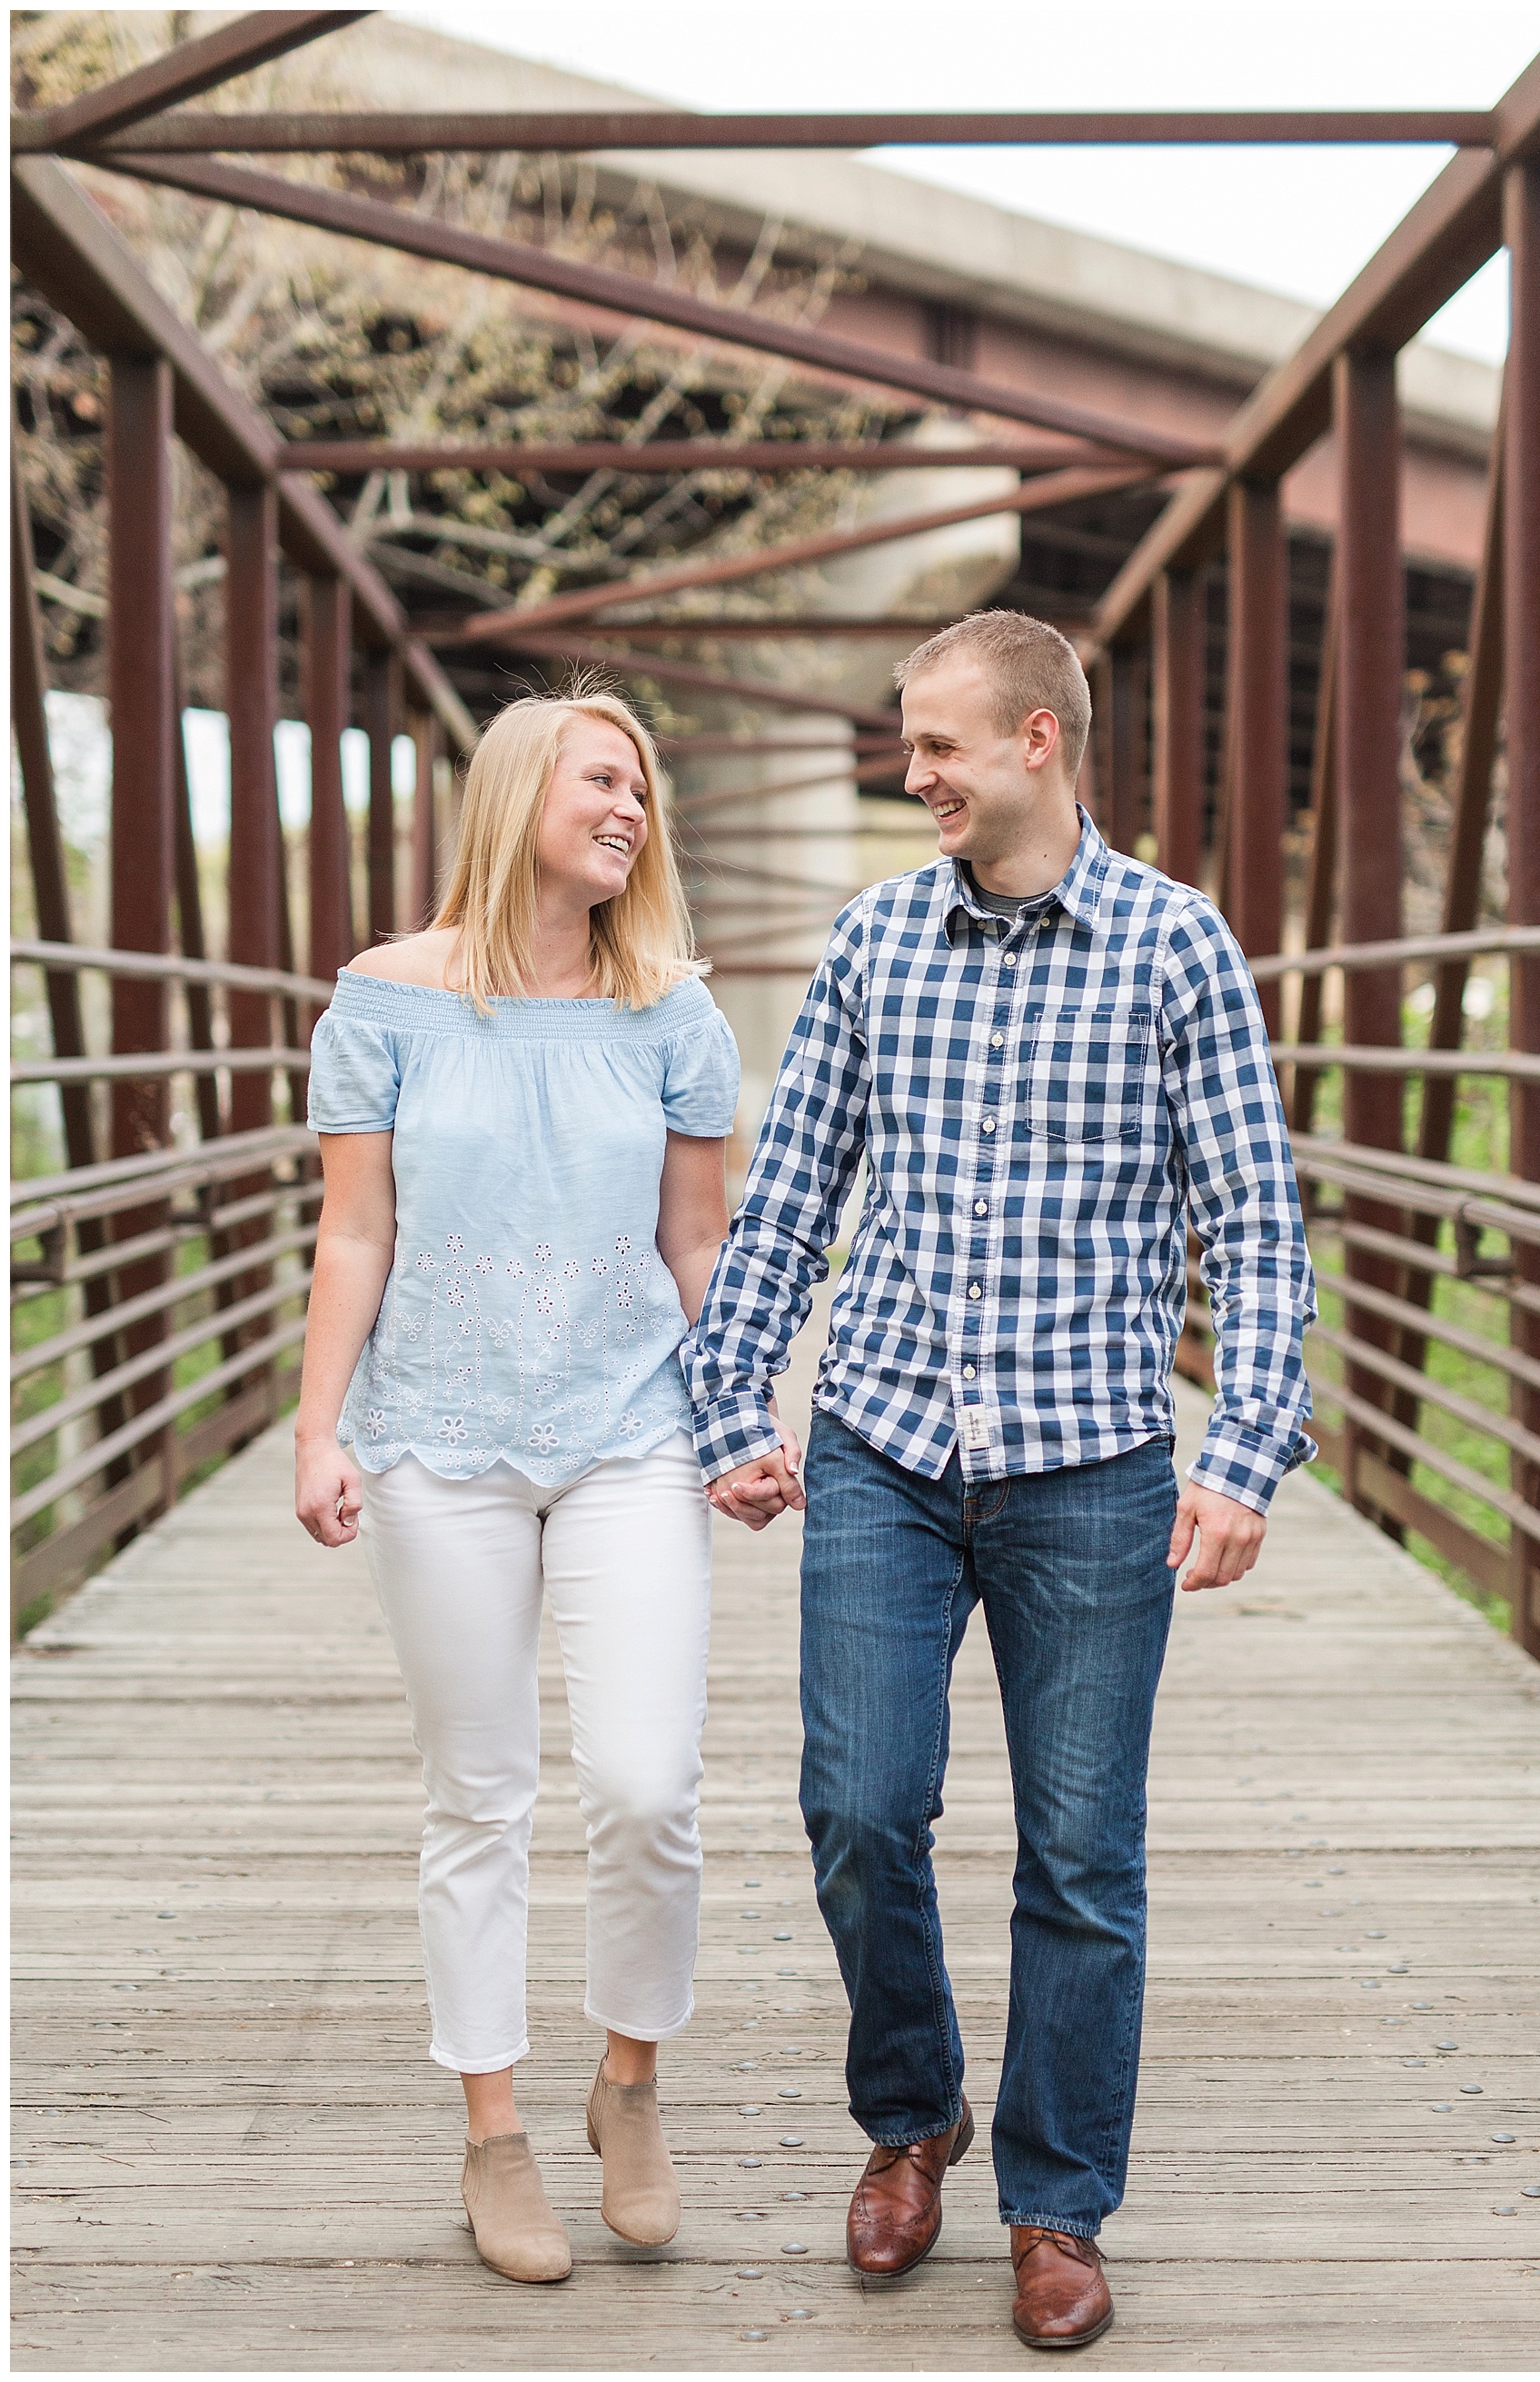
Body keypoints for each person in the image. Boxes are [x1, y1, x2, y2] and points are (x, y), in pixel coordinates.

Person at [684, 613, 1315, 2351]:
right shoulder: (876, 938)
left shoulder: (1179, 949)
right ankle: (914, 2112)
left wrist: (1247, 1446)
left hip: (1092, 1460)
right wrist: (731, 1394)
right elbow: (793, 1189)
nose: (915, 773)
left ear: (1041, 739)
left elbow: (1253, 1225)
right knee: (860, 1810)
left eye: (941, 744)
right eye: (908, 743)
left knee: (1083, 1856)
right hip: (884, 1440)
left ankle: (1055, 2200)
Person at [294, 690, 781, 2285]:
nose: (632, 806)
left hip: (630, 1428)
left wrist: (743, 1420)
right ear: (519, 793)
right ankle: (493, 2129)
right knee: (479, 1793)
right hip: (436, 1435)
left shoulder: (675, 1014)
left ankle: (628, 2080)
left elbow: (694, 1242)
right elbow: (354, 1232)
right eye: (602, 777)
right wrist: (319, 1429)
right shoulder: (382, 1000)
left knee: (648, 1781)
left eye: (642, 785)